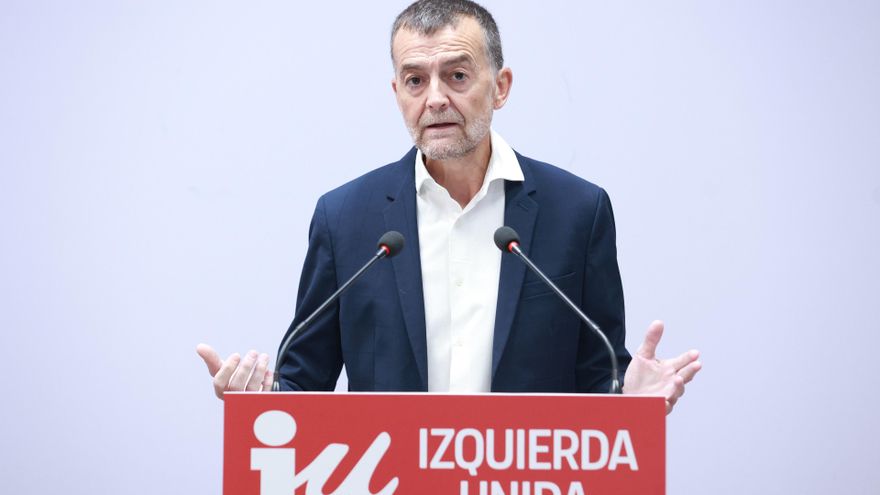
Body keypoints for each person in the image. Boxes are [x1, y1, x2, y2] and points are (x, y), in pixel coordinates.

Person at [197, 0, 701, 413]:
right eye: (415, 80)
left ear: (500, 87)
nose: (434, 98)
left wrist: (630, 406)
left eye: (457, 76)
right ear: (398, 93)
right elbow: (304, 384)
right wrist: (259, 404)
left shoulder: (578, 211)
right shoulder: (345, 218)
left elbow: (598, 380)